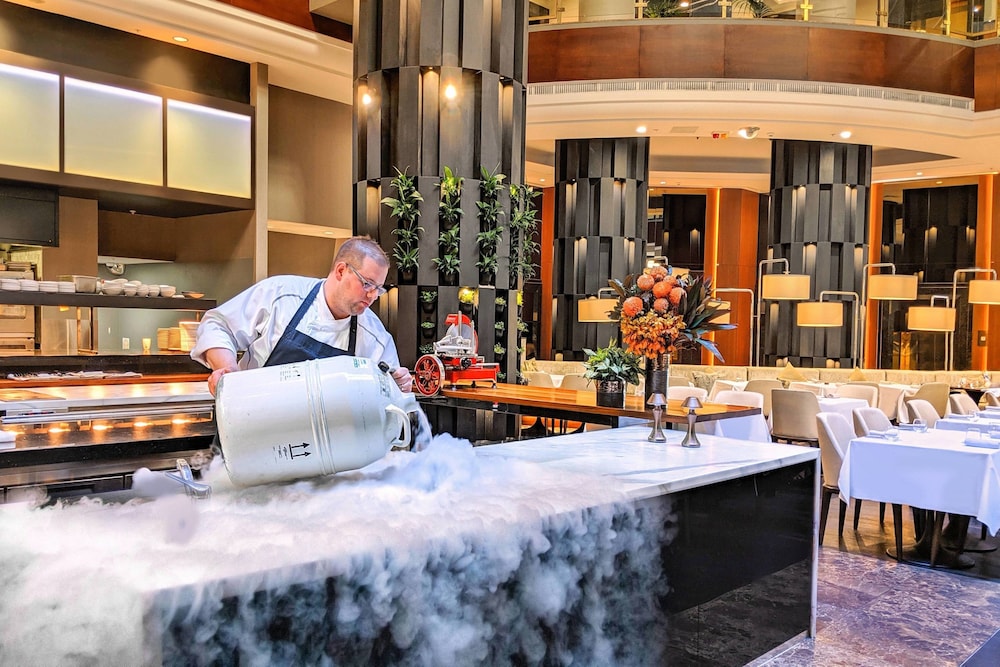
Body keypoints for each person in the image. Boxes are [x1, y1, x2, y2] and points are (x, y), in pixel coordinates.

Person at [191, 236, 413, 396]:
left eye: (378, 289)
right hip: (249, 425)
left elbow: (390, 402)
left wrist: (397, 387)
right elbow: (217, 324)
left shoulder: (374, 337)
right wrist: (227, 370)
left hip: (320, 443)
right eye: (366, 284)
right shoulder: (281, 295)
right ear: (341, 271)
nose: (372, 296)